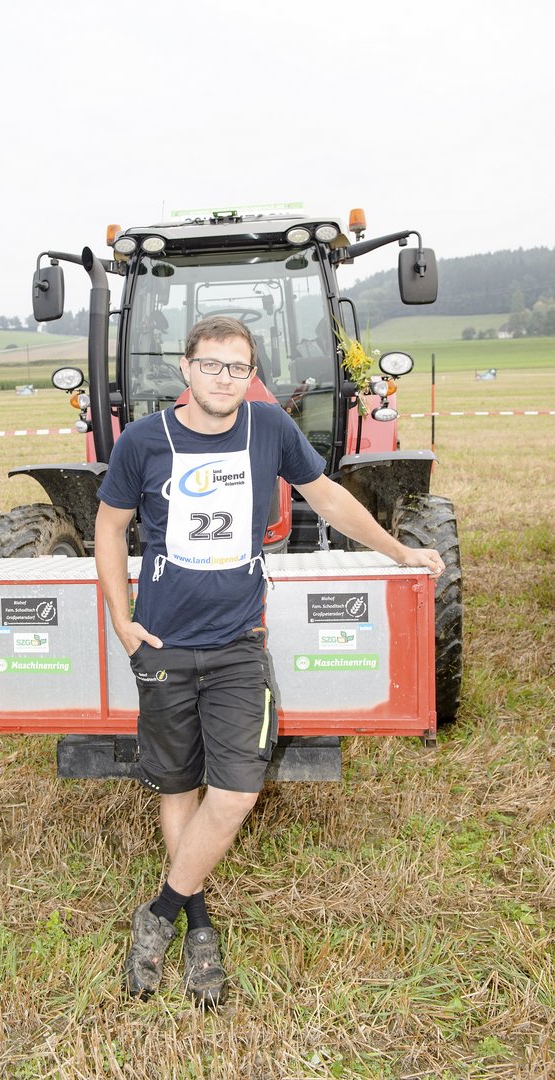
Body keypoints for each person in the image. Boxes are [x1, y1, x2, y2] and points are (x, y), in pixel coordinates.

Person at [94, 315, 445, 1007]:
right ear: (185, 368)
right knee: (177, 787)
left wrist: (400, 551)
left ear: (250, 374)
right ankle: (197, 923)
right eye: (211, 364)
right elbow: (109, 527)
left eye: (237, 367)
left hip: (236, 645)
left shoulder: (270, 428)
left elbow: (328, 499)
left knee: (234, 793)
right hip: (162, 644)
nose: (224, 378)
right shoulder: (143, 440)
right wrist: (121, 621)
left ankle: (158, 911)